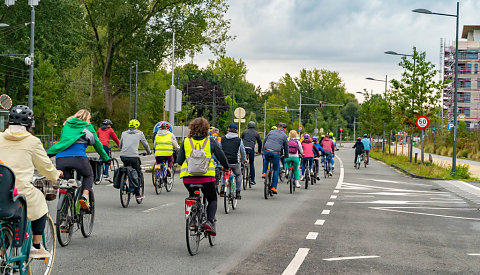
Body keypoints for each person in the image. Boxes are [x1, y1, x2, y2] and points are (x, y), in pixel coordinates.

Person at [0, 105, 63, 258]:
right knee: (40, 200)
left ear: (9, 122)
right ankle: (36, 246)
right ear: (30, 124)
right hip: (19, 192)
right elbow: (45, 167)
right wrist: (56, 174)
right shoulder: (32, 141)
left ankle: (2, 253)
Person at [177, 117, 229, 236]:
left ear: (191, 128)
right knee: (212, 199)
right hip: (207, 178)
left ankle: (192, 221)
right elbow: (221, 157)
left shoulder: (186, 141)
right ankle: (209, 222)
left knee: (192, 195)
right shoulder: (210, 141)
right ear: (206, 129)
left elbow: (179, 161)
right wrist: (226, 166)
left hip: (188, 178)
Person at [48, 109, 109, 210]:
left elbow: (64, 141)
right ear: (88, 118)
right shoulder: (88, 126)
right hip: (79, 158)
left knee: (65, 183)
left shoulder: (67, 125)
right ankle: (84, 197)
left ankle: (63, 215)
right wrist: (106, 158)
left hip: (61, 158)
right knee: (88, 175)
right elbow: (97, 144)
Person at [119, 119, 151, 199]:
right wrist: (149, 152)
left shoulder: (123, 133)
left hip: (123, 156)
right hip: (134, 157)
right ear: (137, 126)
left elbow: (121, 145)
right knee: (138, 172)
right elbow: (145, 144)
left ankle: (123, 181)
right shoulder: (140, 133)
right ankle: (137, 194)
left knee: (125, 168)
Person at [220, 123, 246, 199]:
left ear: (228, 130)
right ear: (236, 131)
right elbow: (242, 151)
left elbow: (220, 150)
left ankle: (222, 188)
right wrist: (243, 159)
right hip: (235, 162)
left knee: (224, 173)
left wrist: (220, 160)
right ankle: (238, 193)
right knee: (238, 175)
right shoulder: (239, 140)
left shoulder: (223, 139)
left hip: (225, 162)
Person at [261, 122, 289, 194]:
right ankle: (273, 187)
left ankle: (264, 173)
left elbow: (264, 141)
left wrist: (263, 150)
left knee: (266, 159)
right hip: (276, 152)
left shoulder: (271, 132)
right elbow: (286, 147)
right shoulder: (284, 135)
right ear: (284, 129)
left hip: (266, 150)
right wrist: (286, 155)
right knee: (276, 169)